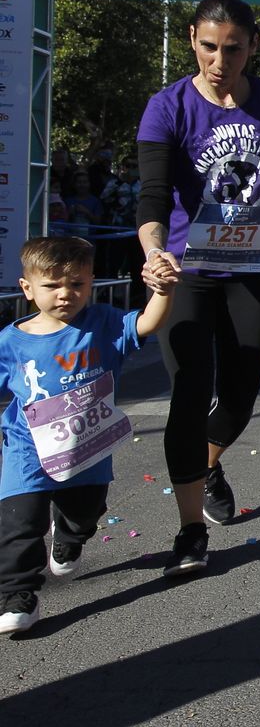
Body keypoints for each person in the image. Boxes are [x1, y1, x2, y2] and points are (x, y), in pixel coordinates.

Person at [137, 0, 260, 579]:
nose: (219, 61)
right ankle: (191, 527)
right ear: (194, 39)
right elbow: (150, 194)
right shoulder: (167, 107)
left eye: (233, 49)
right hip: (185, 269)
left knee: (242, 395)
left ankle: (207, 463)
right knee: (191, 392)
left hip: (252, 266)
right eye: (208, 47)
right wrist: (151, 253)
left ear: (252, 46)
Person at [0, 237, 172, 634]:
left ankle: (70, 536)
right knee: (19, 524)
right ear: (27, 288)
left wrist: (163, 291)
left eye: (77, 284)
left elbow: (147, 323)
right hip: (29, 448)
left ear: (91, 283)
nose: (66, 294)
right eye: (52, 285)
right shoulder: (10, 342)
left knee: (84, 513)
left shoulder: (105, 323)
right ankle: (17, 595)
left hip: (86, 449)